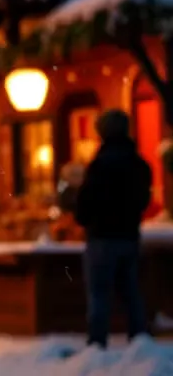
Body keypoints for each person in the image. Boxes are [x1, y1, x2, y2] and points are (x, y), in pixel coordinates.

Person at [73, 109, 153, 349]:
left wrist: (84, 218)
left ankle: (97, 345)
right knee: (131, 291)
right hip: (129, 236)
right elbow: (143, 199)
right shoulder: (138, 164)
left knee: (99, 293)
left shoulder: (100, 165)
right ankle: (140, 342)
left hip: (102, 236)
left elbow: (85, 201)